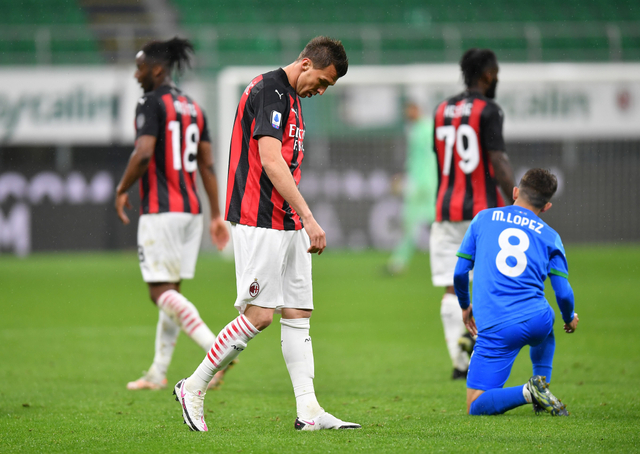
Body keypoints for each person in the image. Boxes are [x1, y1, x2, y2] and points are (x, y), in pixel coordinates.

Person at [173, 36, 360, 432]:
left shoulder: (291, 98)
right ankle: (193, 386)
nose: (322, 91)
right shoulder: (270, 90)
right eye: (322, 81)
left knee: (297, 312)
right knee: (258, 315)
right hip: (260, 218)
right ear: (305, 63)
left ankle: (308, 411)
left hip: (285, 220)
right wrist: (309, 216)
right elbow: (271, 161)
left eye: (329, 87)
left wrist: (299, 217)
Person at [115, 37, 233, 392]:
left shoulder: (150, 103)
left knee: (158, 293)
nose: (136, 75)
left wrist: (122, 189)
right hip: (191, 212)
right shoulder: (194, 107)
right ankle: (157, 371)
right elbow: (208, 166)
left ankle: (219, 349)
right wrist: (215, 214)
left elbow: (144, 153)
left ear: (157, 69)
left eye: (139, 68)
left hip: (161, 210)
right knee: (172, 295)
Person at [453, 168, 579, 416]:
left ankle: (529, 392)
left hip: (497, 327)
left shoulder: (482, 219)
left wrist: (465, 305)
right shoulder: (551, 237)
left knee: (475, 404)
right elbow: (563, 293)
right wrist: (569, 317)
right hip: (538, 318)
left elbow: (459, 272)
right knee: (546, 332)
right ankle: (542, 388)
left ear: (514, 192)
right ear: (546, 207)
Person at [431, 48, 516, 379]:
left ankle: (459, 361)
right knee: (489, 280)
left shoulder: (441, 110)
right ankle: (476, 342)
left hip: (446, 209)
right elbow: (497, 161)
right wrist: (520, 202)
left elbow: (441, 161)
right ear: (489, 74)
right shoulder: (489, 110)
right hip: (483, 212)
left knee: (451, 288)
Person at [386, 102, 437, 275]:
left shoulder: (428, 128)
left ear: (417, 109)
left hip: (426, 184)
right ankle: (398, 263)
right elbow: (415, 159)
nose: (408, 113)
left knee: (437, 223)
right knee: (412, 224)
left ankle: (461, 258)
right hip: (420, 183)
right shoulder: (415, 129)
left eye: (410, 109)